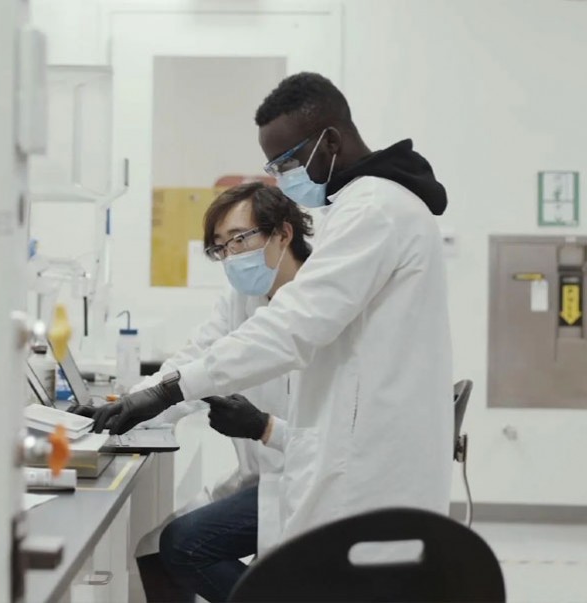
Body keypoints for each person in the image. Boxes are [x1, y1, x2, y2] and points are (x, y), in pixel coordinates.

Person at [92, 71, 455, 593]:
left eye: (287, 161)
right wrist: (145, 396)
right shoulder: (361, 207)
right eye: (274, 167)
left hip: (365, 473)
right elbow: (219, 345)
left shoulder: (374, 208)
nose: (283, 178)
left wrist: (170, 390)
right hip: (339, 463)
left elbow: (292, 327)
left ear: (330, 141)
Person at [72, 182, 315, 602]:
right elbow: (193, 361)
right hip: (263, 478)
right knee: (153, 551)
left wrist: (263, 427)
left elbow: (340, 441)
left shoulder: (320, 307)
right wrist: (129, 405)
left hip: (307, 480)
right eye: (222, 247)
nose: (232, 256)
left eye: (240, 239)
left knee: (184, 545)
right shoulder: (243, 299)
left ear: (283, 233)